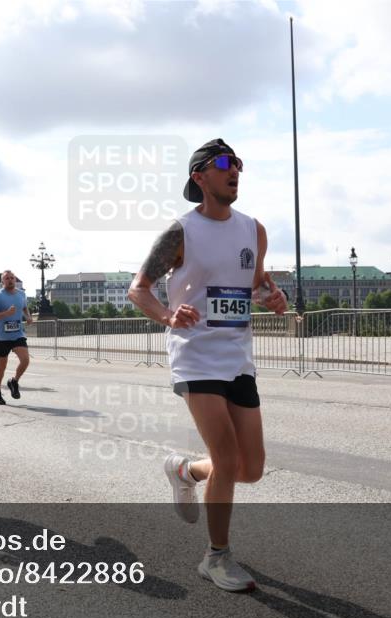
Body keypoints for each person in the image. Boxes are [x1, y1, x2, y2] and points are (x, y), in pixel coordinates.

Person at [128, 138, 288, 592]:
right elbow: (138, 289)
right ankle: (216, 557)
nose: (234, 169)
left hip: (238, 356)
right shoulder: (180, 232)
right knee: (227, 456)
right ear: (200, 177)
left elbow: (256, 283)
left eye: (238, 163)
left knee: (250, 468)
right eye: (223, 163)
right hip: (195, 356)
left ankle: (185, 471)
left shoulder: (253, 230)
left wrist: (271, 296)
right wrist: (167, 314)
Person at [0, 270, 32, 405]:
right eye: (7, 278)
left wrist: (28, 316)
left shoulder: (21, 294)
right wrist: (6, 313)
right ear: (2, 282)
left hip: (18, 334)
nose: (10, 280)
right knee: (2, 366)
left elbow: (24, 307)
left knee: (25, 360)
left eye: (12, 278)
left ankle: (14, 381)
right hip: (2, 336)